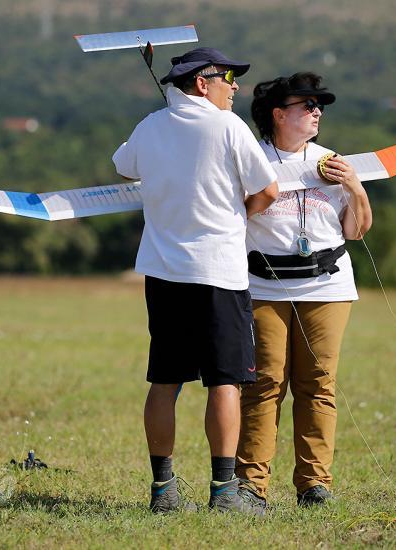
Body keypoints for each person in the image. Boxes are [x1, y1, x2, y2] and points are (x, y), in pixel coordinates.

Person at [112, 47, 279, 515]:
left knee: (164, 381)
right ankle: (224, 492)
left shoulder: (150, 125)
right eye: (228, 77)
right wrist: (236, 218)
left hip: (164, 275)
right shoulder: (228, 127)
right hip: (219, 273)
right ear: (202, 83)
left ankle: (163, 490)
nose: (236, 87)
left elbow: (123, 165)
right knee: (226, 382)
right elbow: (268, 190)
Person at [235, 72, 373, 507]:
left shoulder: (331, 160)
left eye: (319, 106)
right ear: (278, 114)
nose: (317, 112)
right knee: (264, 383)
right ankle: (250, 487)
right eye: (306, 105)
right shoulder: (251, 160)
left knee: (318, 384)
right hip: (262, 285)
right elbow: (230, 218)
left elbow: (357, 229)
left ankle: (315, 485)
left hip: (327, 286)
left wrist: (352, 183)